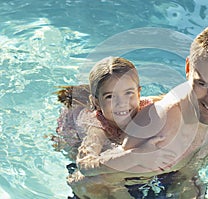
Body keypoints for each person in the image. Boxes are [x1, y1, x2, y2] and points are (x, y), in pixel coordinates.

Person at [67, 24, 208, 199]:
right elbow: (88, 180)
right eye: (202, 84)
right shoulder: (158, 128)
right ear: (188, 68)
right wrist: (136, 157)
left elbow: (206, 149)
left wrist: (186, 179)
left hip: (165, 174)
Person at [52, 56, 175, 198]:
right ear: (96, 103)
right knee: (86, 181)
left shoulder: (147, 107)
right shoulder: (96, 126)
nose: (122, 103)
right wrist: (134, 156)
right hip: (75, 134)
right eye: (110, 97)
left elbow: (181, 99)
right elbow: (84, 164)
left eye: (129, 93)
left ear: (139, 93)